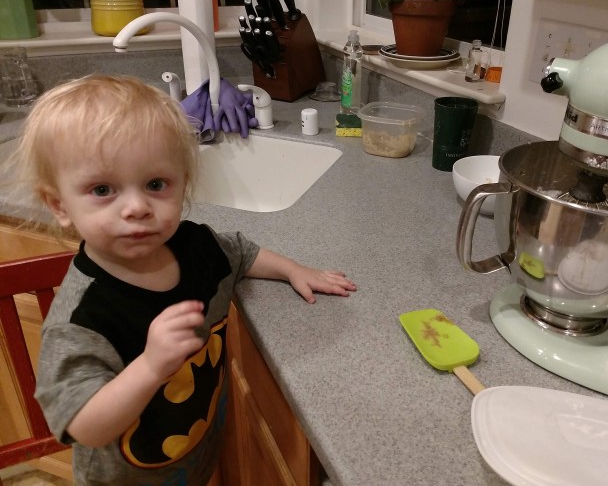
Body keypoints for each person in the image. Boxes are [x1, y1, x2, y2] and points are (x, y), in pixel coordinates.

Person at [15, 75, 356, 486]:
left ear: (183, 183)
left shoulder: (196, 246)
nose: (137, 206)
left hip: (193, 457)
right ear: (59, 205)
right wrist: (150, 366)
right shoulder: (82, 319)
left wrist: (292, 269)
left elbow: (241, 252)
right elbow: (83, 425)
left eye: (155, 184)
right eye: (102, 189)